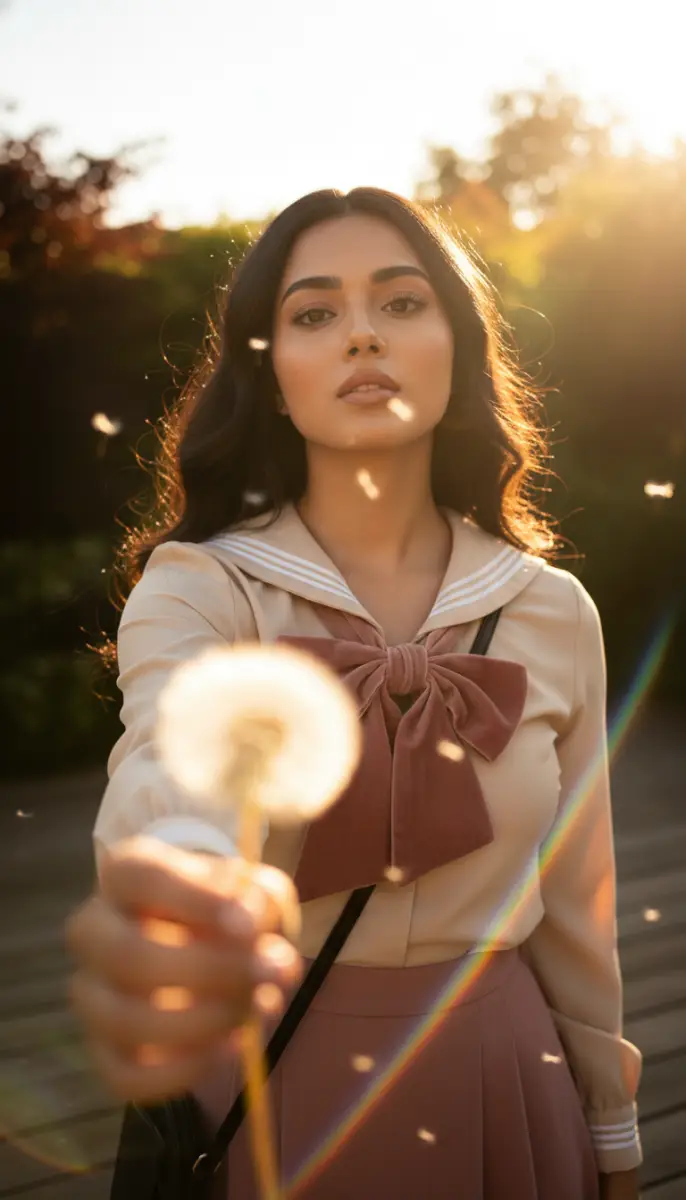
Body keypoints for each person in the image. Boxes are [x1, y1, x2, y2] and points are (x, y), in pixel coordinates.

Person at [65, 187, 642, 1199]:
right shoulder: (200, 590)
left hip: (507, 1076)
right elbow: (163, 765)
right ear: (269, 375)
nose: (362, 335)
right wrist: (186, 871)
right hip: (267, 1081)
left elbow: (575, 905)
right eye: (315, 312)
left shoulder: (552, 610)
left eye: (401, 303)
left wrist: (614, 1136)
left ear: (457, 347)